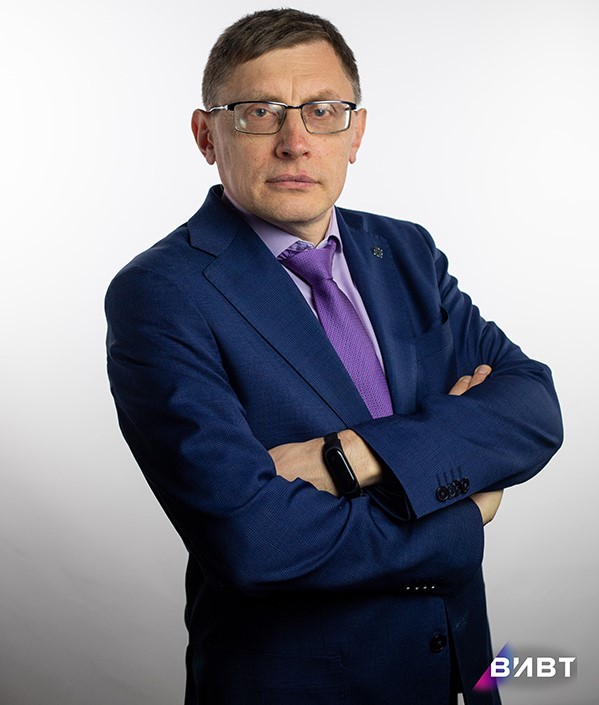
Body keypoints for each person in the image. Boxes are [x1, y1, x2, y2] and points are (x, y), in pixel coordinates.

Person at [105, 8, 562, 705]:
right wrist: (462, 515)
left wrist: (349, 457)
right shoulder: (161, 293)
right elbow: (255, 541)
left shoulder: (405, 251)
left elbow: (531, 409)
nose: (295, 143)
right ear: (206, 135)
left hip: (457, 676)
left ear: (356, 132)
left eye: (322, 111)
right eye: (259, 113)